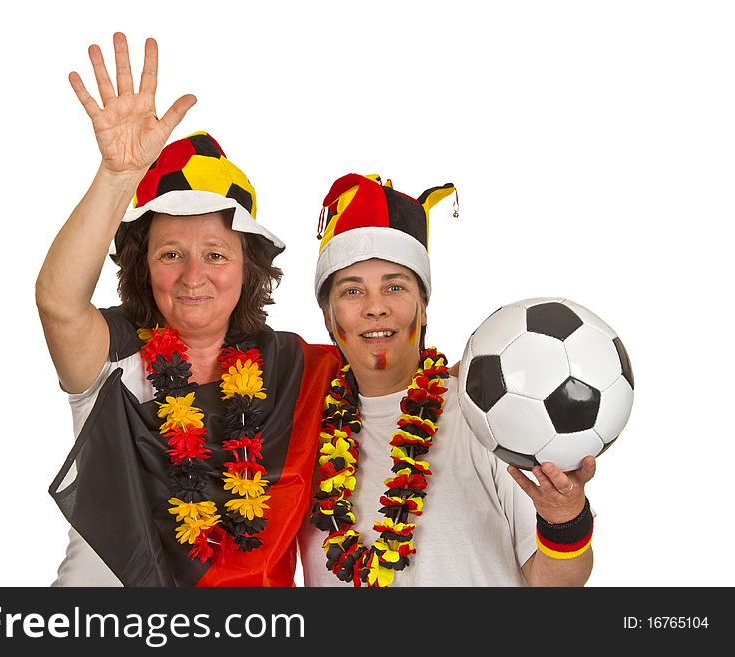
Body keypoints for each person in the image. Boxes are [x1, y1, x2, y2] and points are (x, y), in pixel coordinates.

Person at [36, 32, 338, 586]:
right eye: (170, 253)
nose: (193, 277)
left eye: (215, 254)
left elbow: (389, 374)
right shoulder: (114, 352)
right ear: (141, 265)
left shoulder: (296, 366)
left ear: (248, 267)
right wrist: (117, 176)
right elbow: (58, 304)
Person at [296, 173, 597, 586]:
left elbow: (557, 581)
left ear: (422, 307)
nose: (376, 308)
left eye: (395, 287)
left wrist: (565, 519)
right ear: (329, 317)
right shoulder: (300, 429)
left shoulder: (489, 413)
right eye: (351, 291)